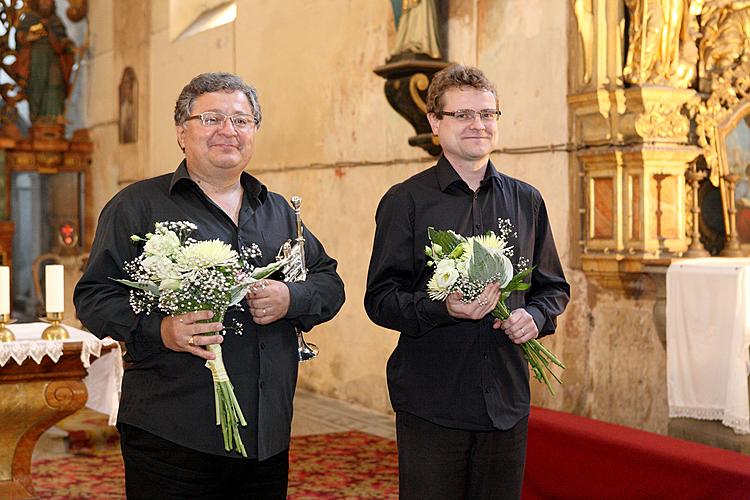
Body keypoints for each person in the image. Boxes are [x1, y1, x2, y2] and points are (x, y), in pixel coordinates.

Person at [74, 72, 345, 498]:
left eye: (241, 120)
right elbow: (93, 298)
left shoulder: (277, 211)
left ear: (254, 131)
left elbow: (329, 282)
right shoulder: (137, 206)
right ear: (182, 132)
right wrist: (161, 329)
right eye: (211, 119)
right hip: (173, 431)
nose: (228, 131)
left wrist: (291, 297)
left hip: (265, 434)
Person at [364, 65, 570, 499]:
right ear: (435, 124)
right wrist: (443, 308)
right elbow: (381, 299)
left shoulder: (527, 200)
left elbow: (553, 287)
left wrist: (535, 317)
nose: (478, 124)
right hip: (433, 400)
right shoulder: (406, 201)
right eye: (462, 115)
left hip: (507, 399)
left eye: (487, 113)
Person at [13, 0, 75, 121]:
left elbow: (62, 40)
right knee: (37, 86)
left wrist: (70, 47)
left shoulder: (55, 21)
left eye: (49, 0)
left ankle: (55, 118)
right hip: (36, 59)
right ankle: (38, 118)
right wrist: (28, 37)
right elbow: (20, 37)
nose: (46, 3)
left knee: (55, 83)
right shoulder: (30, 18)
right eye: (43, 0)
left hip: (53, 57)